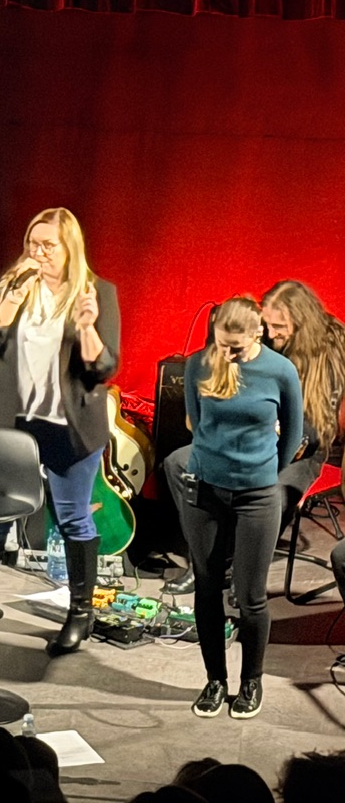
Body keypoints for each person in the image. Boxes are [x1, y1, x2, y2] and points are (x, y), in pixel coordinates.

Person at [0, 207, 120, 656]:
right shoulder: (17, 286)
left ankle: (80, 614)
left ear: (69, 248)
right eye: (32, 244)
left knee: (73, 517)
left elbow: (103, 368)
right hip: (15, 423)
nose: (38, 253)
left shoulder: (97, 292)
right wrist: (8, 306)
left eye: (48, 246)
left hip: (69, 424)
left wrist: (88, 327)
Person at [163, 279, 345, 594]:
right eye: (267, 325)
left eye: (279, 327)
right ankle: (205, 562)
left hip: (301, 448)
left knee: (269, 489)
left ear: (301, 323)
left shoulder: (330, 350)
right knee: (179, 463)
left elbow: (320, 424)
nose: (271, 333)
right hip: (244, 435)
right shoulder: (263, 339)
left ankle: (243, 573)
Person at [181, 296, 302, 720]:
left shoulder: (280, 371)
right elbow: (195, 422)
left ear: (257, 334)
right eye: (220, 344)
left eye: (235, 347)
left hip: (257, 494)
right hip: (205, 490)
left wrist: (262, 472)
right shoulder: (199, 364)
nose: (227, 354)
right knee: (207, 587)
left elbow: (293, 435)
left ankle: (251, 680)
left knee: (251, 597)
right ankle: (215, 680)